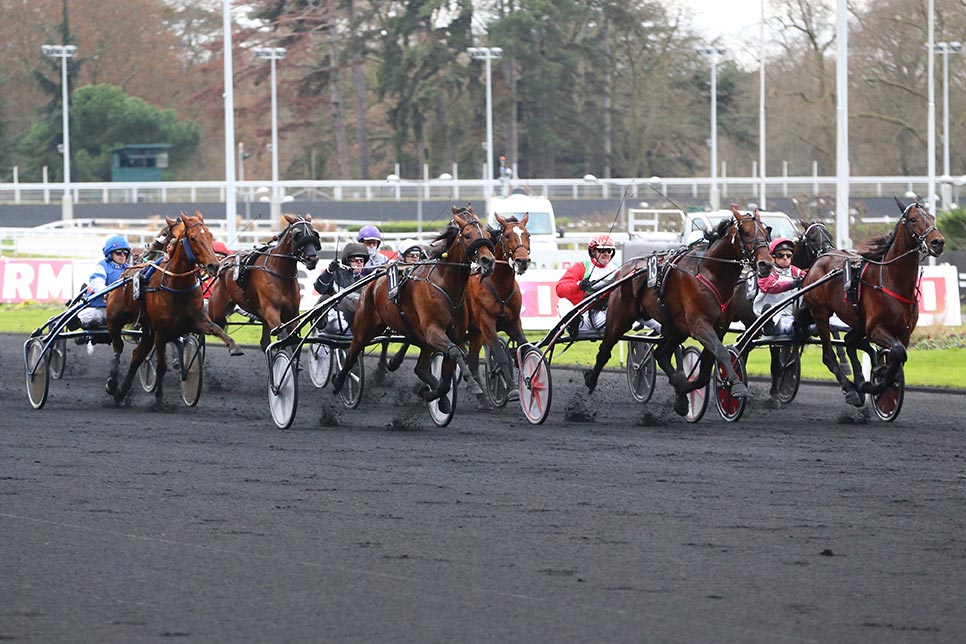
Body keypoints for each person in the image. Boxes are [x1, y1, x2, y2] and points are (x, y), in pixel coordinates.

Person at [555, 233, 620, 336]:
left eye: (609, 250)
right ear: (593, 251)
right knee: (563, 302)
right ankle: (572, 325)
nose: (606, 253)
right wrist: (579, 285)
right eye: (602, 250)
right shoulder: (581, 267)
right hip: (582, 320)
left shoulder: (616, 271)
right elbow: (560, 289)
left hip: (603, 318)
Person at [75, 235, 132, 330]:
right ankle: (86, 329)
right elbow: (96, 282)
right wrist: (107, 293)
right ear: (110, 254)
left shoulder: (129, 269)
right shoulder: (101, 266)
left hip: (120, 310)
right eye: (119, 253)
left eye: (125, 253)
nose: (123, 256)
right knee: (87, 316)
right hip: (100, 308)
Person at [753, 237, 805, 336]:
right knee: (779, 326)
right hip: (773, 313)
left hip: (792, 314)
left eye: (788, 255)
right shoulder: (766, 271)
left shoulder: (797, 271)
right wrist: (792, 284)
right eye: (780, 255)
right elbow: (768, 286)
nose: (785, 258)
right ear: (773, 257)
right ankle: (768, 323)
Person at [314, 242, 369, 334]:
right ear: (347, 261)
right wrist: (329, 271)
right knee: (325, 298)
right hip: (331, 320)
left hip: (353, 324)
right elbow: (320, 289)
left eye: (361, 260)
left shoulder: (365, 282)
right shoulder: (335, 273)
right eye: (355, 260)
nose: (359, 263)